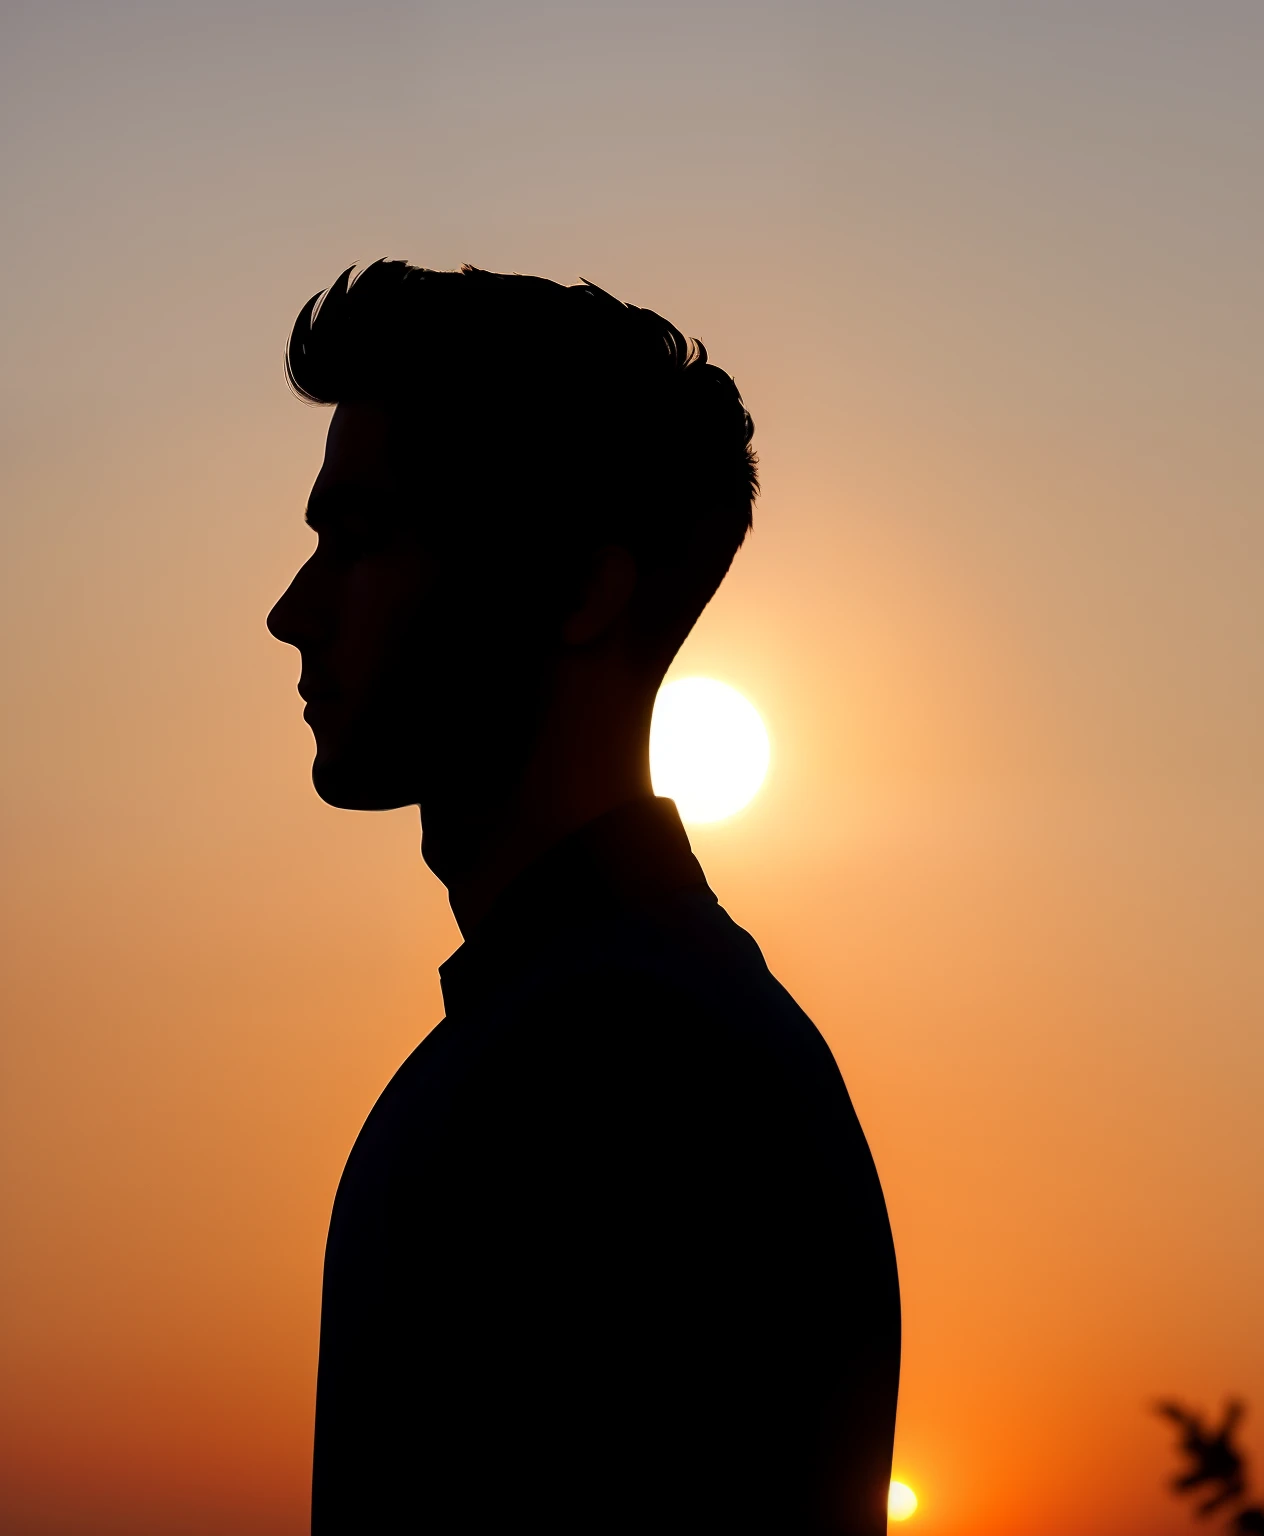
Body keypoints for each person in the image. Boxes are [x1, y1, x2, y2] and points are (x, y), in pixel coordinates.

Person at [266, 261, 901, 1533]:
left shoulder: (616, 1076)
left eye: (365, 539)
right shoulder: (625, 1034)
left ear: (580, 593)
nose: (293, 612)